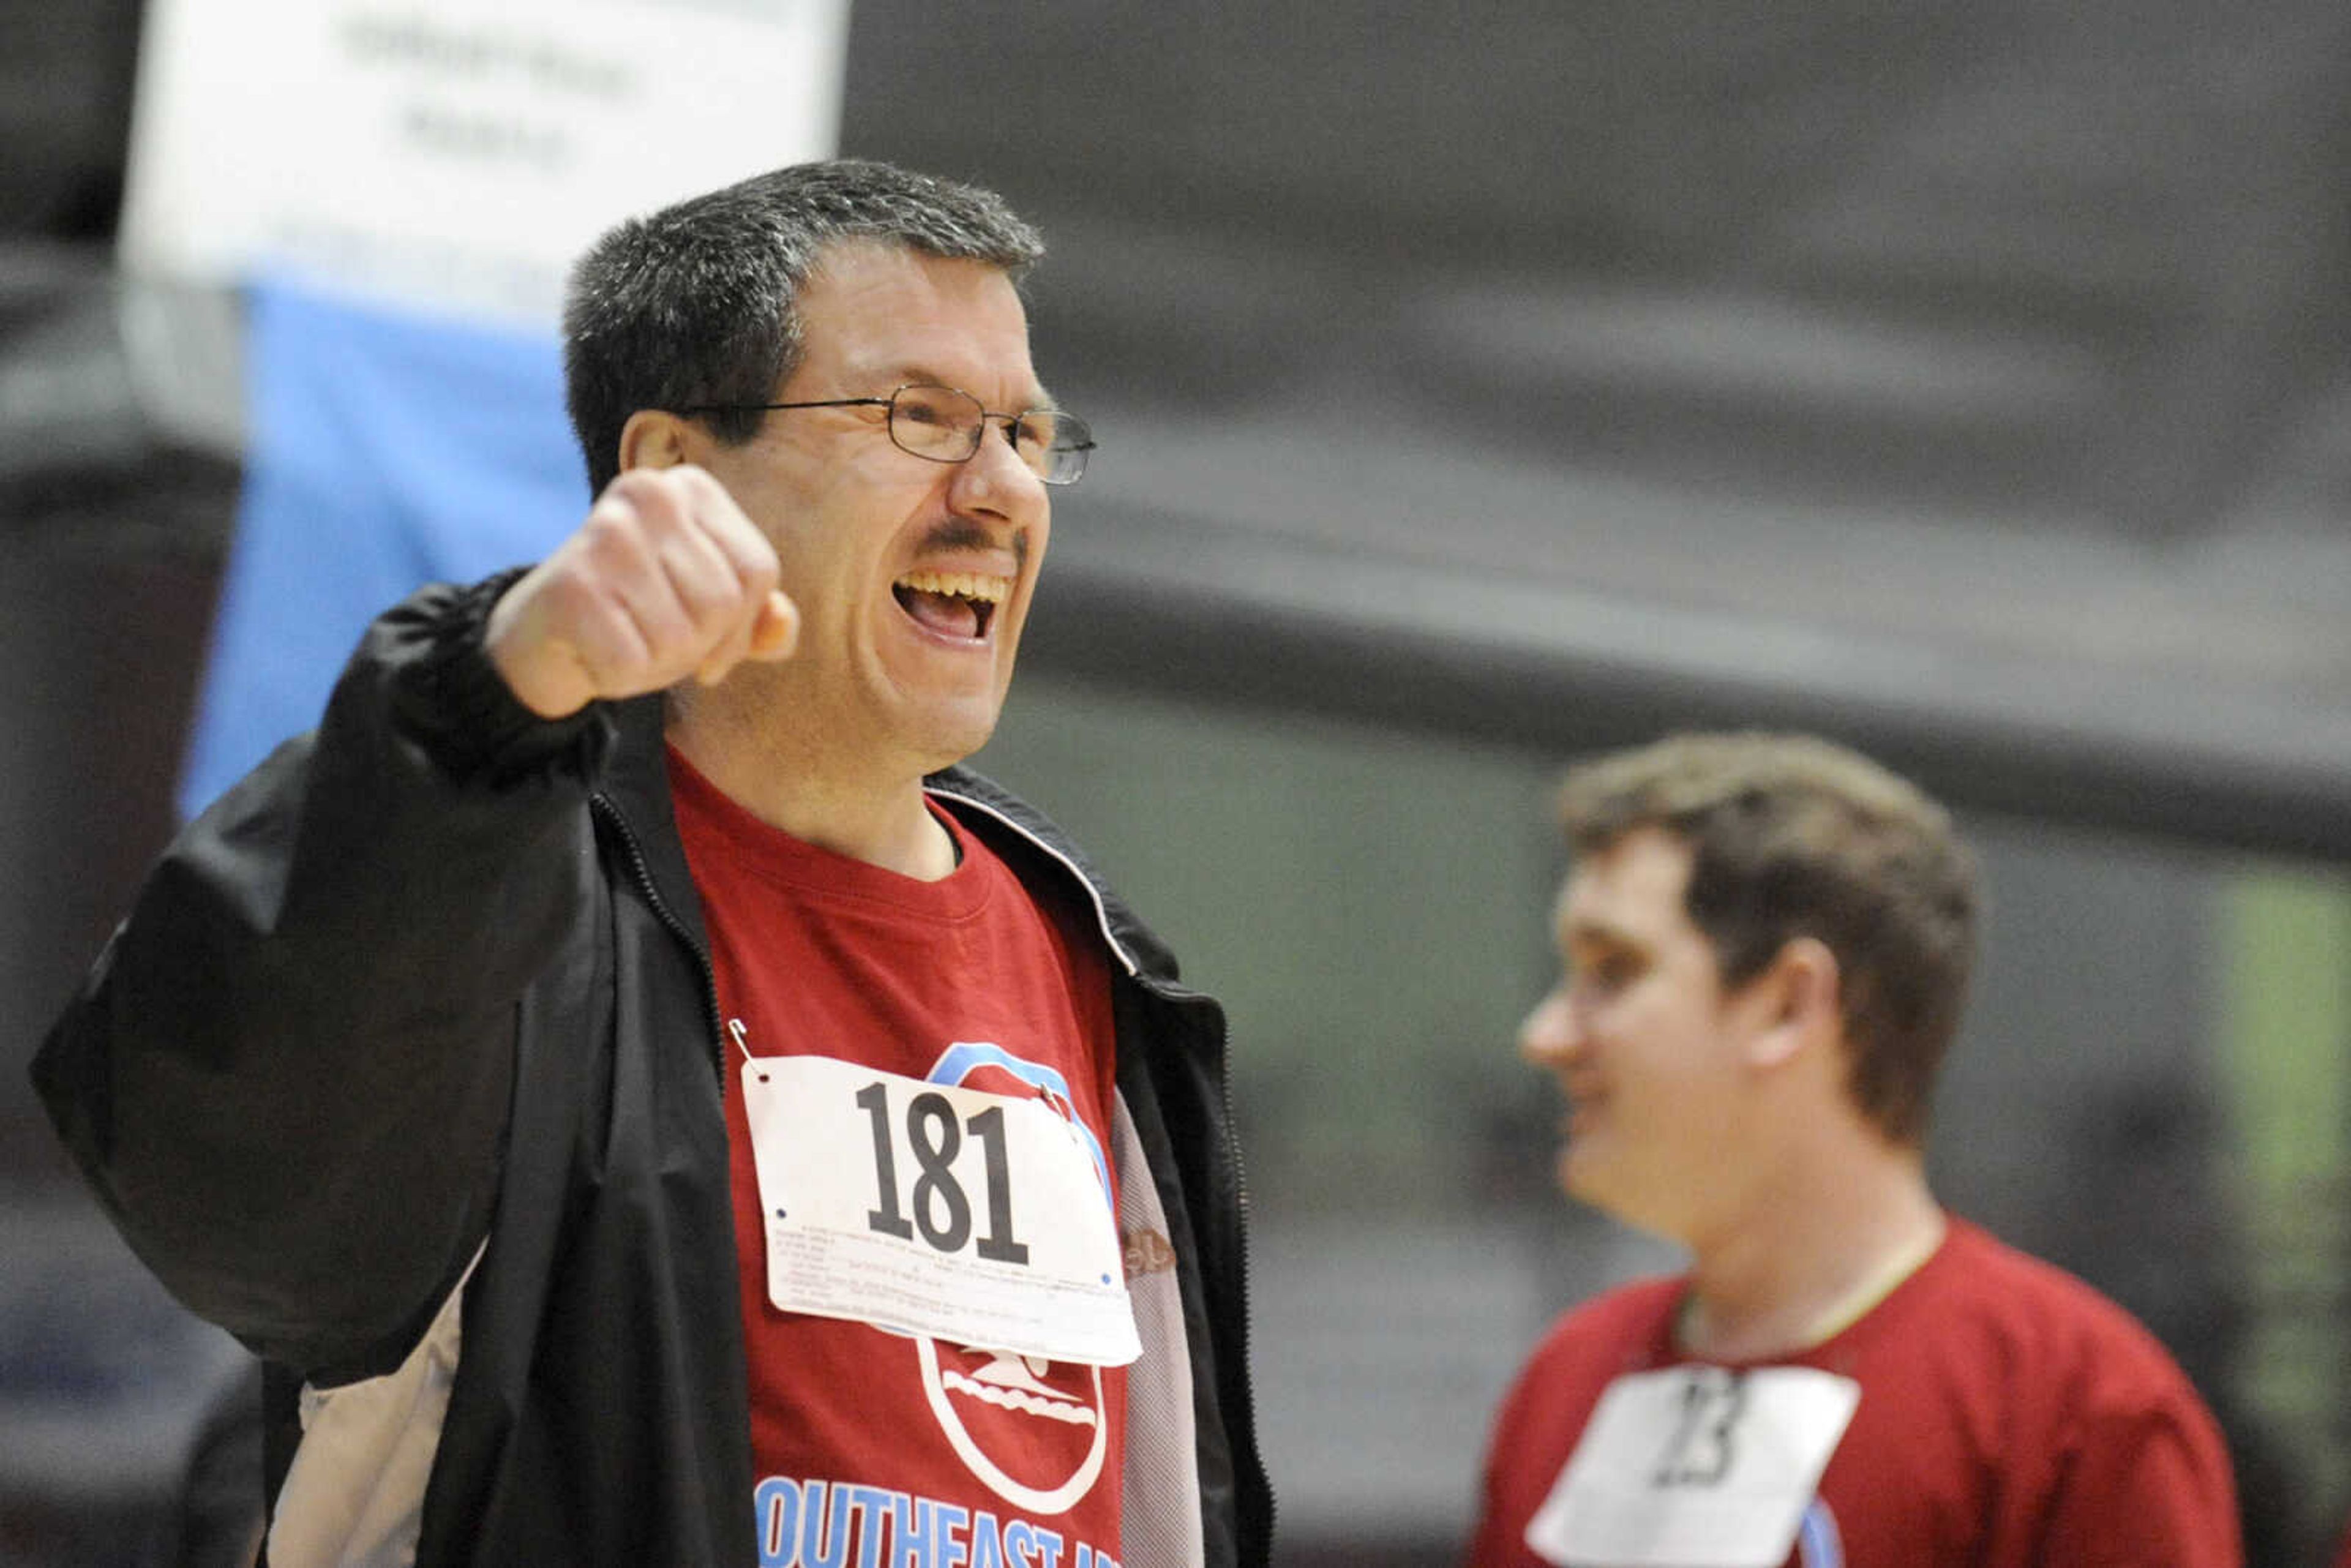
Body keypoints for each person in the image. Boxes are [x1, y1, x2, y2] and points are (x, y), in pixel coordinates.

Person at [33, 159, 1270, 1568]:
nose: (997, 491)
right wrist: (497, 688)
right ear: (676, 472)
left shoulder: (1102, 966)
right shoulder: (499, 912)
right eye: (918, 418)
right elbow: (228, 1156)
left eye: (1026, 433)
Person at [1465, 732, 2240, 1567]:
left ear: (1789, 1005)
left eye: (1613, 969)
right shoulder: (1568, 1379)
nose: (1546, 1036)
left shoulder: (2071, 1406)